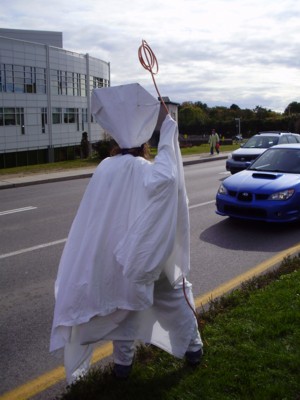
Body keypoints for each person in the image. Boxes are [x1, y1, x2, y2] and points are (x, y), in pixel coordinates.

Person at [49, 83, 203, 383]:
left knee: (120, 305)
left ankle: (123, 366)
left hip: (115, 256)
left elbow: (95, 216)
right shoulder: (143, 169)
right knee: (172, 296)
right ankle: (193, 349)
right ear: (144, 141)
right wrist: (169, 133)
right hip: (148, 258)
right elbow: (168, 179)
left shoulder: (105, 167)